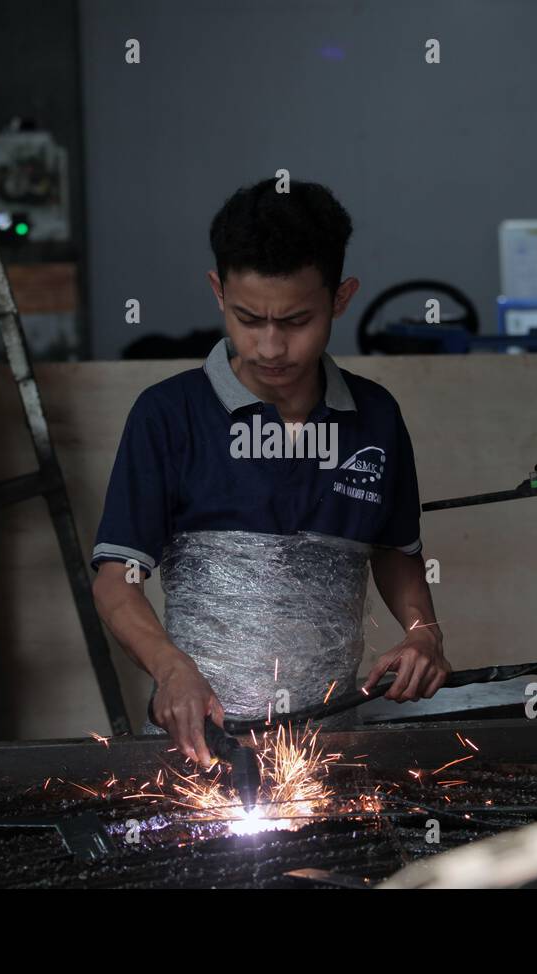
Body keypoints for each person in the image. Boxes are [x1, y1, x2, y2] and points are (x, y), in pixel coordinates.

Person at [91, 178, 449, 765]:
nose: (271, 347)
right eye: (248, 318)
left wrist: (422, 632)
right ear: (217, 291)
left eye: (296, 321)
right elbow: (115, 577)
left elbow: (395, 548)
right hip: (202, 747)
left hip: (333, 744)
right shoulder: (168, 416)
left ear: (341, 298)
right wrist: (170, 667)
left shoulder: (375, 418)